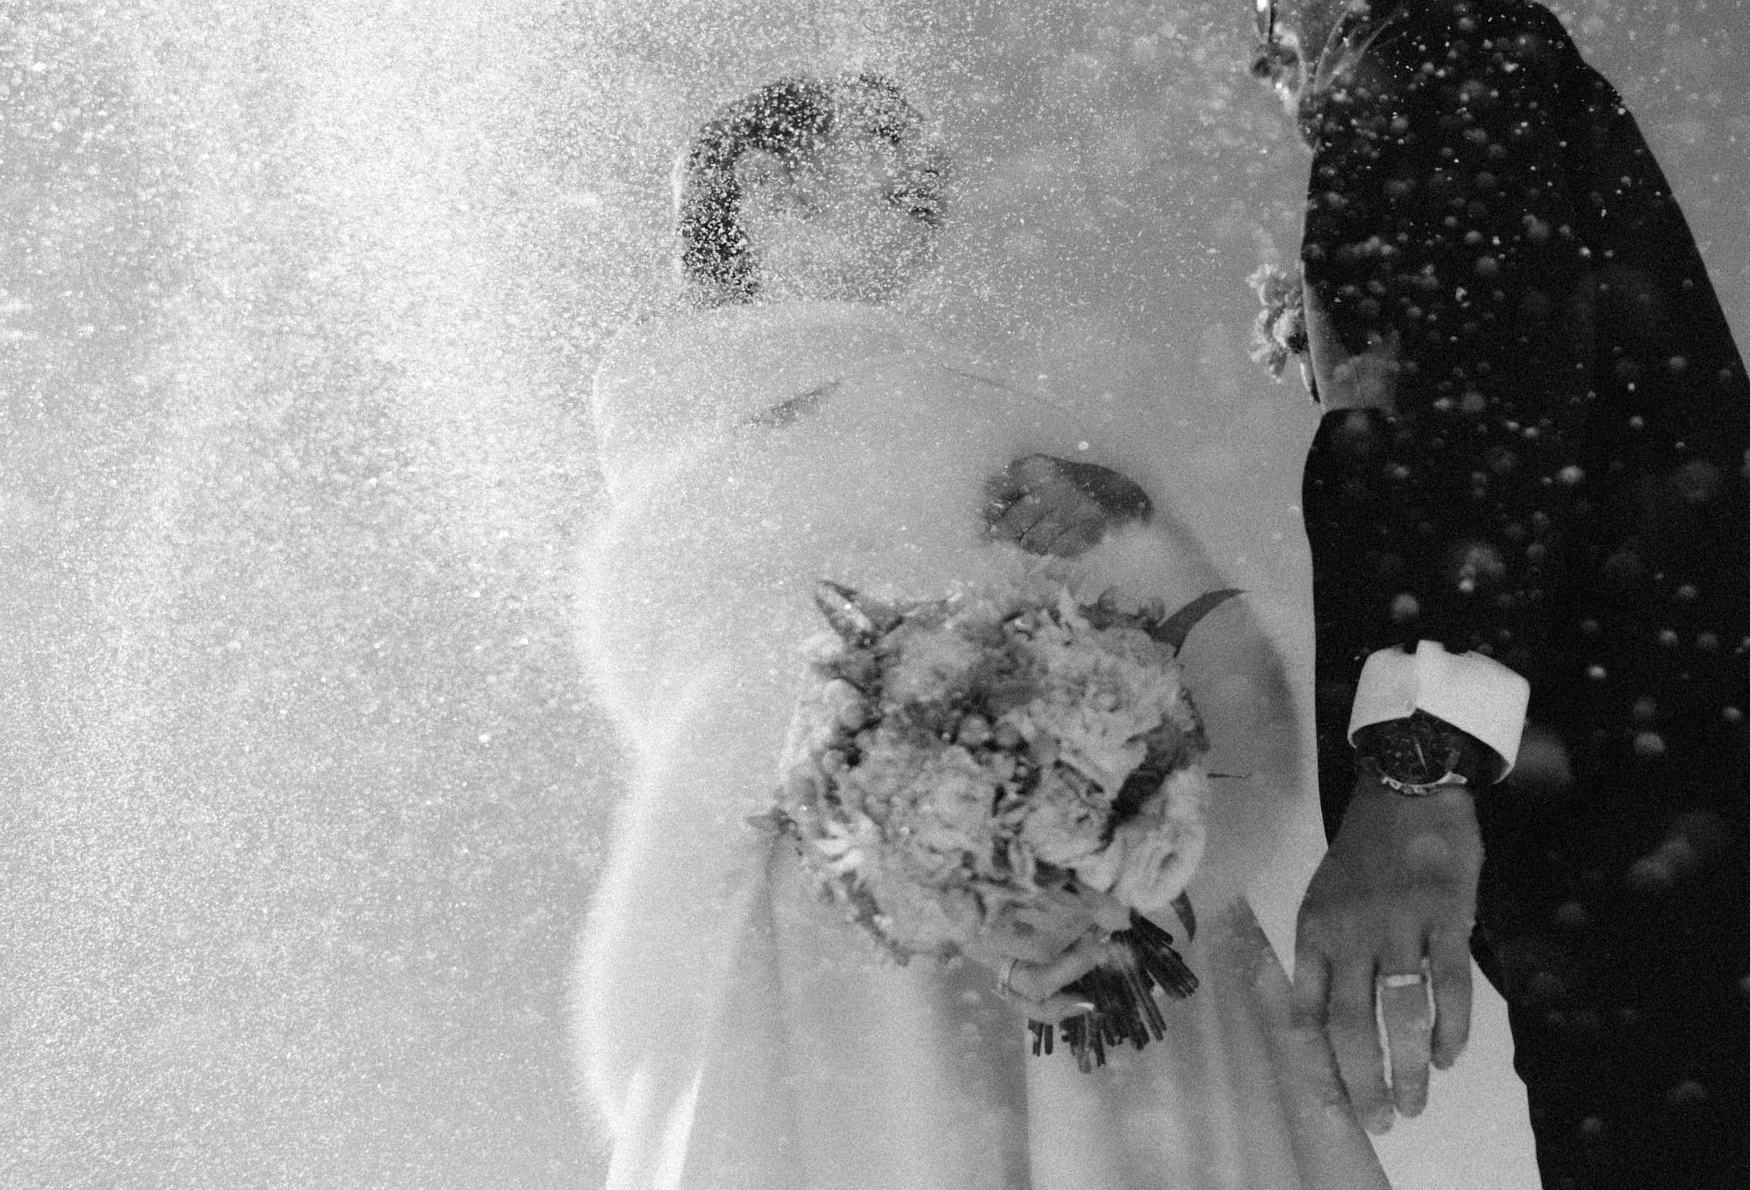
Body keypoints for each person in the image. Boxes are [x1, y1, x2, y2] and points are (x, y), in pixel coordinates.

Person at [1253, 0, 1750, 1189]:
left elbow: (1479, 355)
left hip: (1665, 761)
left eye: (1279, 16)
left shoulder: (1425, 29)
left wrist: (1417, 760)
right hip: (1689, 768)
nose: (1278, 65)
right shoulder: (1471, 81)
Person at [571, 72, 1388, 1189]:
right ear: (762, 189)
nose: (925, 211)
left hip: (997, 953)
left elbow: (1216, 654)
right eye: (889, 170)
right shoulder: (723, 478)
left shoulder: (977, 431)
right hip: (886, 978)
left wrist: (1134, 895)